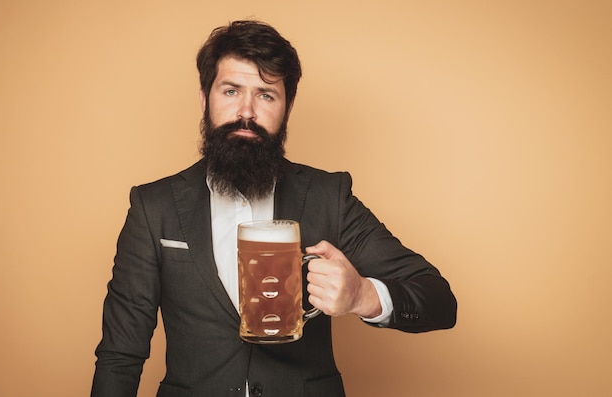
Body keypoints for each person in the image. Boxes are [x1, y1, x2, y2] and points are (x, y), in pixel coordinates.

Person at [91, 20, 457, 397]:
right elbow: (121, 354)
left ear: (288, 106)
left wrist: (363, 295)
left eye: (266, 95)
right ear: (205, 98)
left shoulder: (329, 196)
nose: (246, 111)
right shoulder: (154, 207)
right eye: (231, 91)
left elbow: (440, 301)